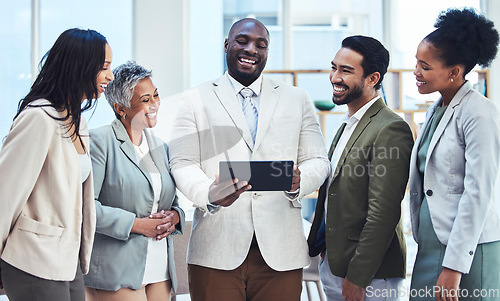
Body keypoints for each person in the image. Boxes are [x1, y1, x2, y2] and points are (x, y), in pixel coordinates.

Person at [168, 18, 330, 301]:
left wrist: (300, 179)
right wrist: (209, 193)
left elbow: (318, 159)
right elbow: (182, 162)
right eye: (242, 41)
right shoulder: (194, 99)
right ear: (227, 45)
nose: (251, 49)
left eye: (261, 44)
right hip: (216, 250)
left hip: (281, 252)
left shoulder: (297, 98)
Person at [0, 28, 113, 301]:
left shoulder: (78, 122)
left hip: (67, 259)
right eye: (104, 67)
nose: (110, 76)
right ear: (80, 66)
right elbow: (6, 195)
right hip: (34, 258)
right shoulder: (39, 117)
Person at [307, 35, 414, 301]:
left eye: (346, 71)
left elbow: (383, 213)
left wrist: (358, 276)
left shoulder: (390, 128)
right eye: (334, 67)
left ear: (372, 78)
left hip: (369, 275)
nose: (335, 77)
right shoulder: (347, 124)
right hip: (335, 263)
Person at [409, 8, 500, 301]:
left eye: (425, 66)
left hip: (467, 251)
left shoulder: (479, 113)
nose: (416, 72)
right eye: (416, 63)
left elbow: (478, 192)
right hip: (431, 243)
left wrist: (454, 267)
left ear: (453, 72)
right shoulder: (437, 109)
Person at [83, 61, 185, 301]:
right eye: (145, 99)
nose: (155, 105)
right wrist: (138, 225)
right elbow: (87, 207)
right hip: (117, 271)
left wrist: (175, 217)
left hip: (160, 269)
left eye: (156, 96)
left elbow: (172, 201)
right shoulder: (100, 141)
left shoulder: (161, 147)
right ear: (121, 108)